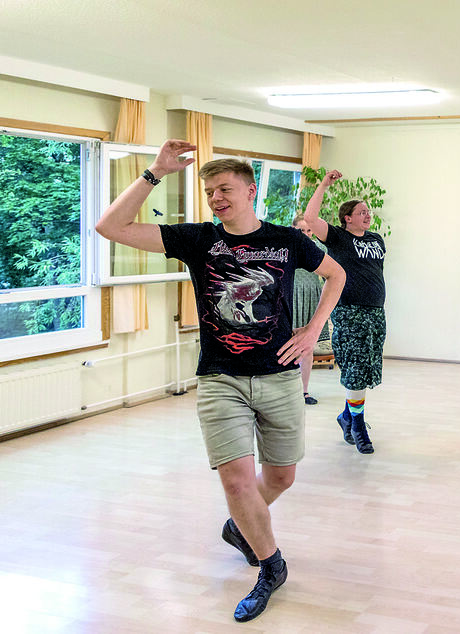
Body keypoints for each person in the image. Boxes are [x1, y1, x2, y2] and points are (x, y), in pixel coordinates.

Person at [95, 141, 345, 623]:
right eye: (210, 191)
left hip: (278, 376)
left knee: (280, 477)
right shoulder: (199, 240)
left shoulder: (287, 241)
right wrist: (155, 172)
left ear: (251, 191)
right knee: (235, 479)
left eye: (225, 189)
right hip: (220, 379)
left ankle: (240, 527)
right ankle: (271, 565)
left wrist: (313, 330)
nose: (216, 198)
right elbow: (111, 227)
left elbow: (335, 275)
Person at [302, 169, 386, 455]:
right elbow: (310, 219)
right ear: (347, 218)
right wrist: (324, 184)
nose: (367, 214)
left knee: (365, 369)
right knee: (355, 369)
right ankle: (358, 426)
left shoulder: (377, 239)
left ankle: (347, 416)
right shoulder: (337, 238)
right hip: (349, 312)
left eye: (368, 211)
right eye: (361, 212)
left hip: (376, 313)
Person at [290, 216, 327, 405]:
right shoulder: (288, 249)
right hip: (292, 297)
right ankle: (288, 391)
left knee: (308, 347)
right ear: (293, 229)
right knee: (288, 345)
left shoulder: (320, 249)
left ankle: (304, 391)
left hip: (312, 298)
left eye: (309, 231)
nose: (306, 234)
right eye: (301, 231)